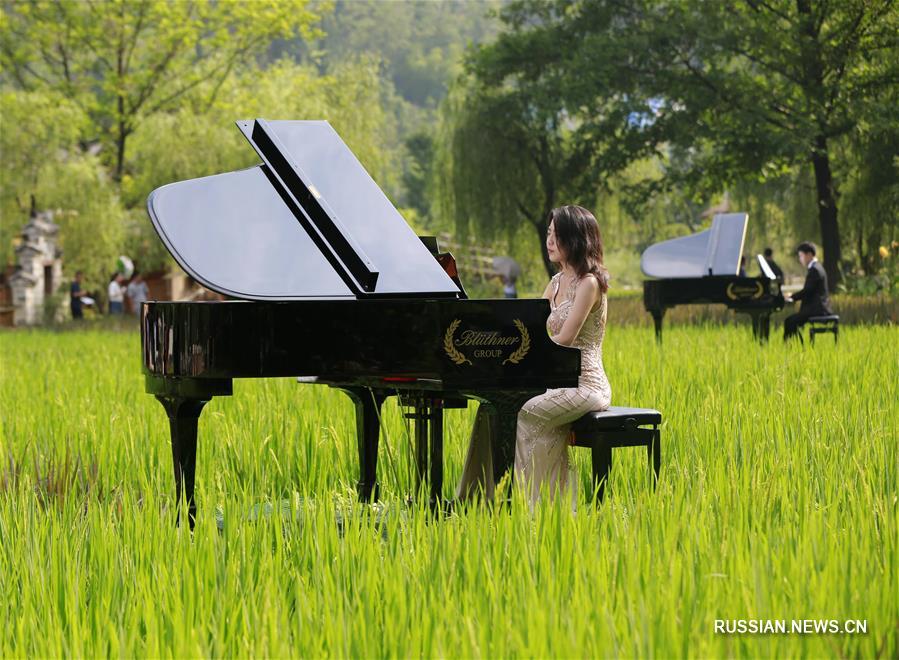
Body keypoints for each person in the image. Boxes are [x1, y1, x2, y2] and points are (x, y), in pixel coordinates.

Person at [456, 205, 612, 508]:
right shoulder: (554, 283)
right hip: (554, 379)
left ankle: (535, 508)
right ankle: (479, 504)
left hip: (586, 384)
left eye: (556, 235)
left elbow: (564, 338)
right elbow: (531, 330)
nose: (549, 241)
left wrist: (526, 350)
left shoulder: (589, 283)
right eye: (549, 234)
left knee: (526, 411)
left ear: (575, 238)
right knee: (492, 408)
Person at [783, 242, 833, 341]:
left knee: (789, 322)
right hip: (818, 307)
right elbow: (808, 290)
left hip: (817, 309)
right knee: (790, 321)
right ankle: (795, 346)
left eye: (801, 256)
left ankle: (793, 347)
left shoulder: (815, 270)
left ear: (809, 255)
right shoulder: (817, 267)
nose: (800, 259)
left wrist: (792, 297)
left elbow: (807, 291)